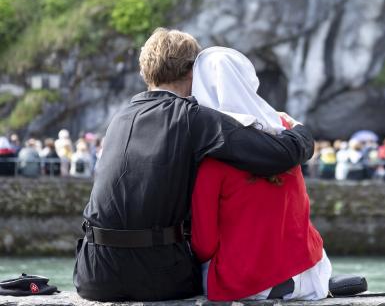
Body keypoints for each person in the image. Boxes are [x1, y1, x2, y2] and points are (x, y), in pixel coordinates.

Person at [73, 28, 314, 302]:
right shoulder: (194, 118)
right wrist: (300, 131)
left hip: (93, 274)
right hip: (159, 276)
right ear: (192, 71)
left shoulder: (121, 116)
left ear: (144, 72)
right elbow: (280, 155)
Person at [189, 46, 330, 301]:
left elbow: (204, 244)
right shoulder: (286, 128)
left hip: (251, 283)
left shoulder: (213, 156)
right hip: (311, 271)